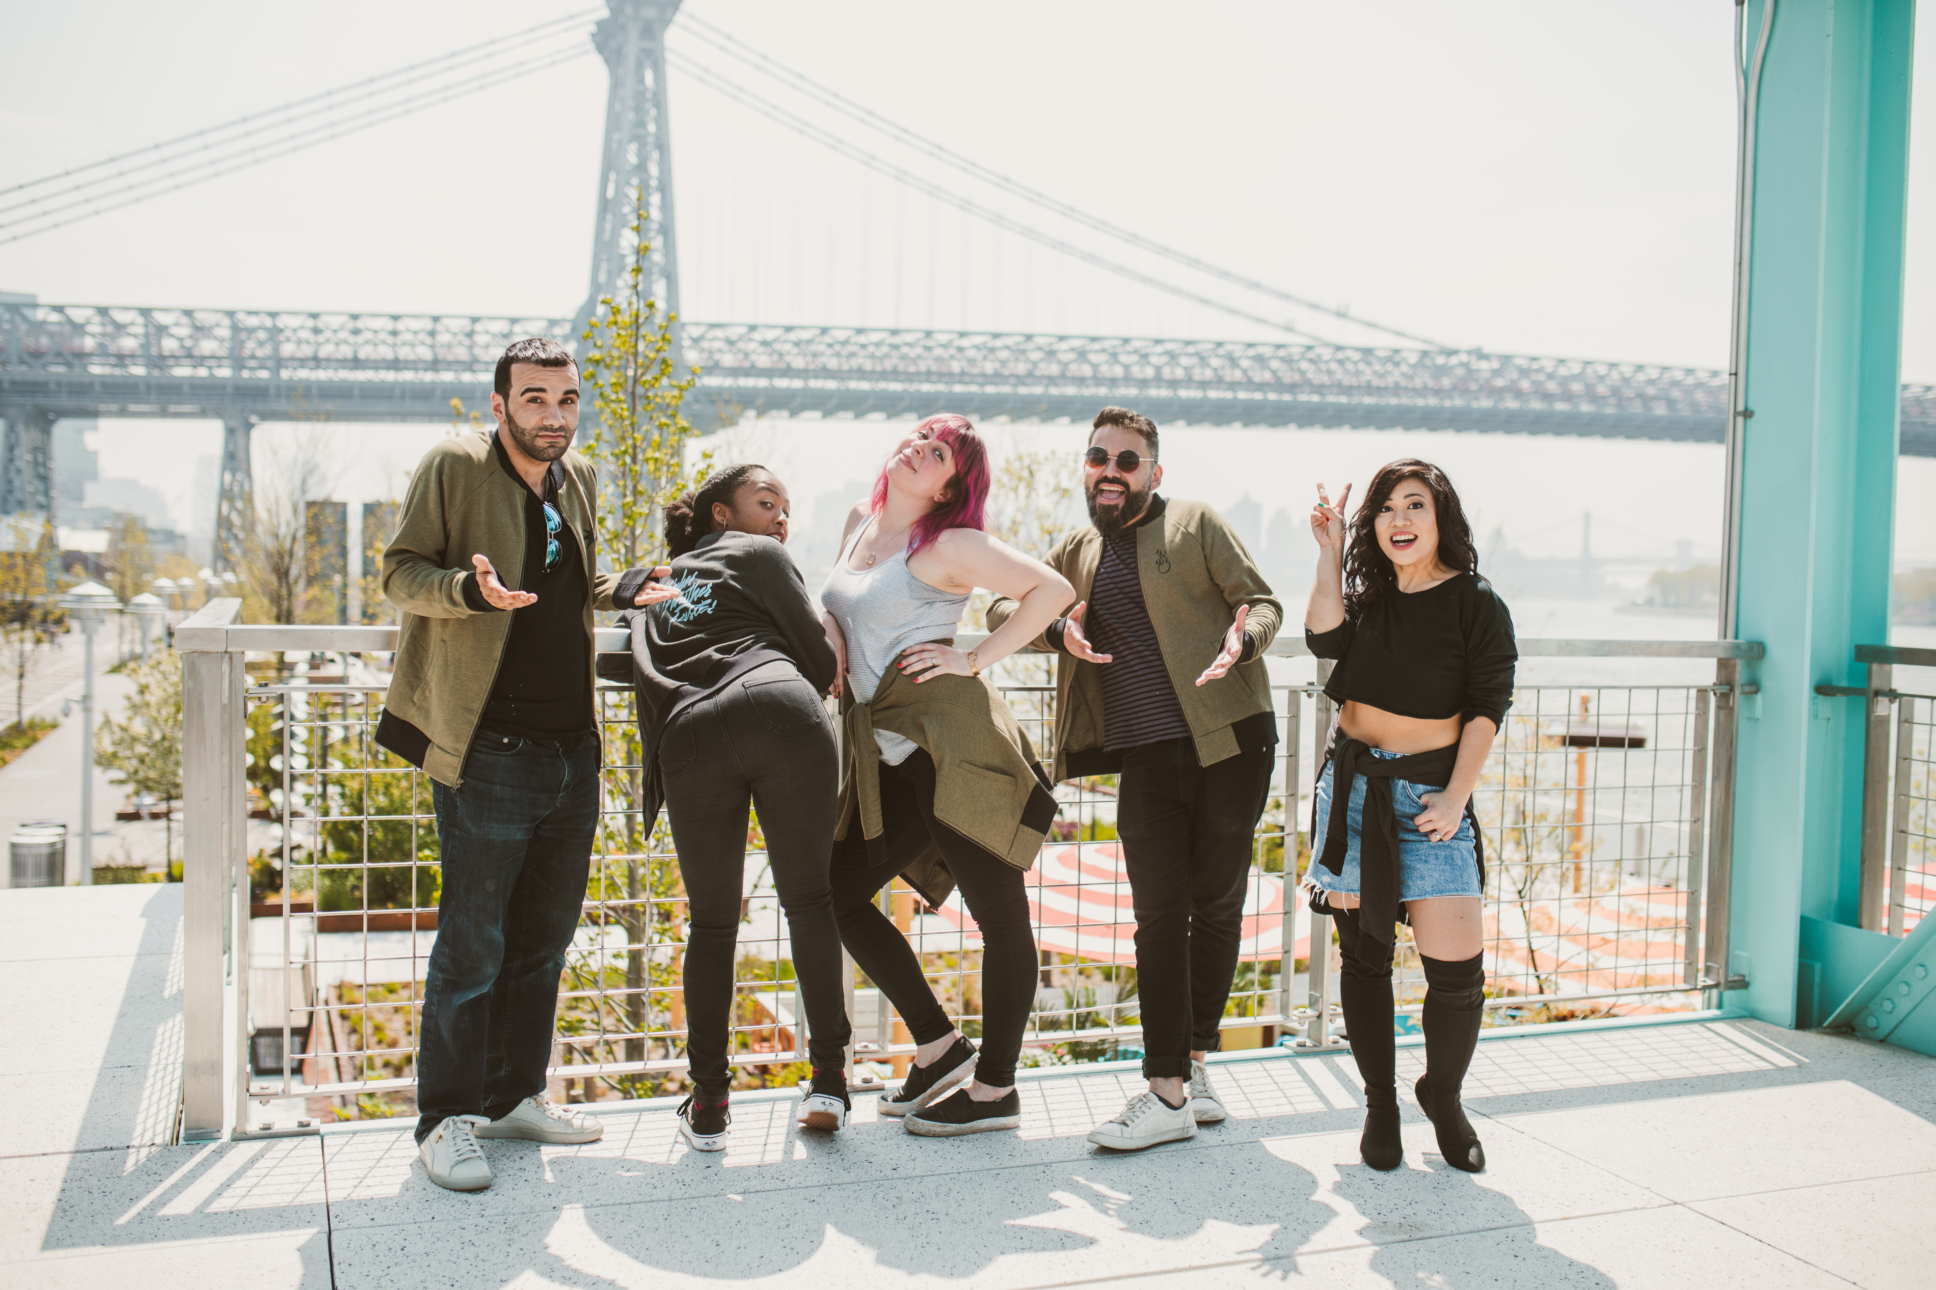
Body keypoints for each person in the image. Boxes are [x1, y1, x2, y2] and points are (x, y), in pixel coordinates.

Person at [379, 337, 681, 1192]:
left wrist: (621, 588)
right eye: (536, 398)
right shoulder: (454, 466)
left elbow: (559, 590)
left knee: (543, 943)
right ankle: (444, 1121)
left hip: (571, 747)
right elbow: (401, 574)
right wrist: (467, 593)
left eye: (567, 399)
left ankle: (514, 1097)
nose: (554, 415)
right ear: (500, 402)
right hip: (487, 748)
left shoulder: (575, 476)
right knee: (472, 946)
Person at [987, 406, 1283, 1153]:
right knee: (1157, 915)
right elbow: (999, 599)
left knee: (1217, 906)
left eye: (1127, 460)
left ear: (1154, 472)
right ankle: (1167, 1089)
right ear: (1086, 468)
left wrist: (1242, 638)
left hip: (1231, 743)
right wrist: (1058, 629)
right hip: (1146, 755)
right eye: (1099, 458)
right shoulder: (1077, 550)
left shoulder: (1195, 524)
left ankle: (1192, 1069)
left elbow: (1264, 602)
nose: (1111, 470)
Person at [819, 413, 1075, 1137]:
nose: (918, 448)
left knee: (1001, 916)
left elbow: (1051, 591)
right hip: (890, 755)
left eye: (938, 452)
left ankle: (996, 1089)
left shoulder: (951, 544)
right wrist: (832, 637)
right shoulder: (859, 524)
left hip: (953, 749)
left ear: (950, 486)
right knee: (835, 892)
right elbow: (835, 612)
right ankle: (938, 1045)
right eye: (918, 436)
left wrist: (972, 658)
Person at [624, 464, 853, 1151]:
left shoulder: (653, 585)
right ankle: (829, 1083)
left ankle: (709, 1103)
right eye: (766, 502)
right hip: (778, 706)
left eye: (787, 508)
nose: (782, 519)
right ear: (720, 514)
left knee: (714, 923)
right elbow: (819, 663)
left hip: (690, 734)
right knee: (809, 902)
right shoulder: (761, 556)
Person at [1304, 457, 1515, 1174]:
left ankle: (1442, 1095)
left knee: (1457, 974)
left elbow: (1488, 706)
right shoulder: (1368, 602)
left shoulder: (1477, 602)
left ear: (1440, 518)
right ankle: (1380, 1105)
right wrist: (1330, 554)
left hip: (1432, 798)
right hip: (1354, 795)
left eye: (1415, 505)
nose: (1400, 519)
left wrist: (1457, 797)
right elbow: (1323, 639)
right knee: (1365, 964)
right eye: (1387, 508)